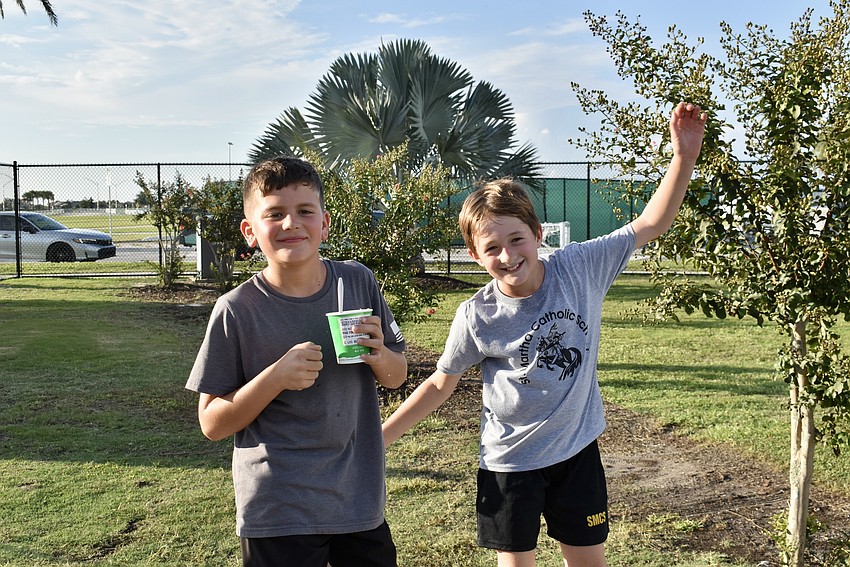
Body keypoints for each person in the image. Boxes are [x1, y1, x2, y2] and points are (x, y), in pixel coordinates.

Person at [382, 102, 707, 567]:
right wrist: (381, 438)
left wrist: (684, 157)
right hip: (509, 465)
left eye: (516, 240)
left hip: (576, 452)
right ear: (475, 255)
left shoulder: (579, 267)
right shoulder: (477, 316)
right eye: (491, 247)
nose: (508, 255)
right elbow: (438, 384)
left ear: (537, 235)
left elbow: (651, 224)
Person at [186, 156, 408, 567]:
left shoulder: (356, 281)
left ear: (324, 224)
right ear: (250, 232)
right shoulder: (236, 310)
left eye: (305, 211)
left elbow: (397, 376)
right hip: (278, 507)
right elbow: (211, 423)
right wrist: (274, 378)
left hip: (356, 499)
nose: (291, 224)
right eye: (275, 214)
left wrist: (380, 356)